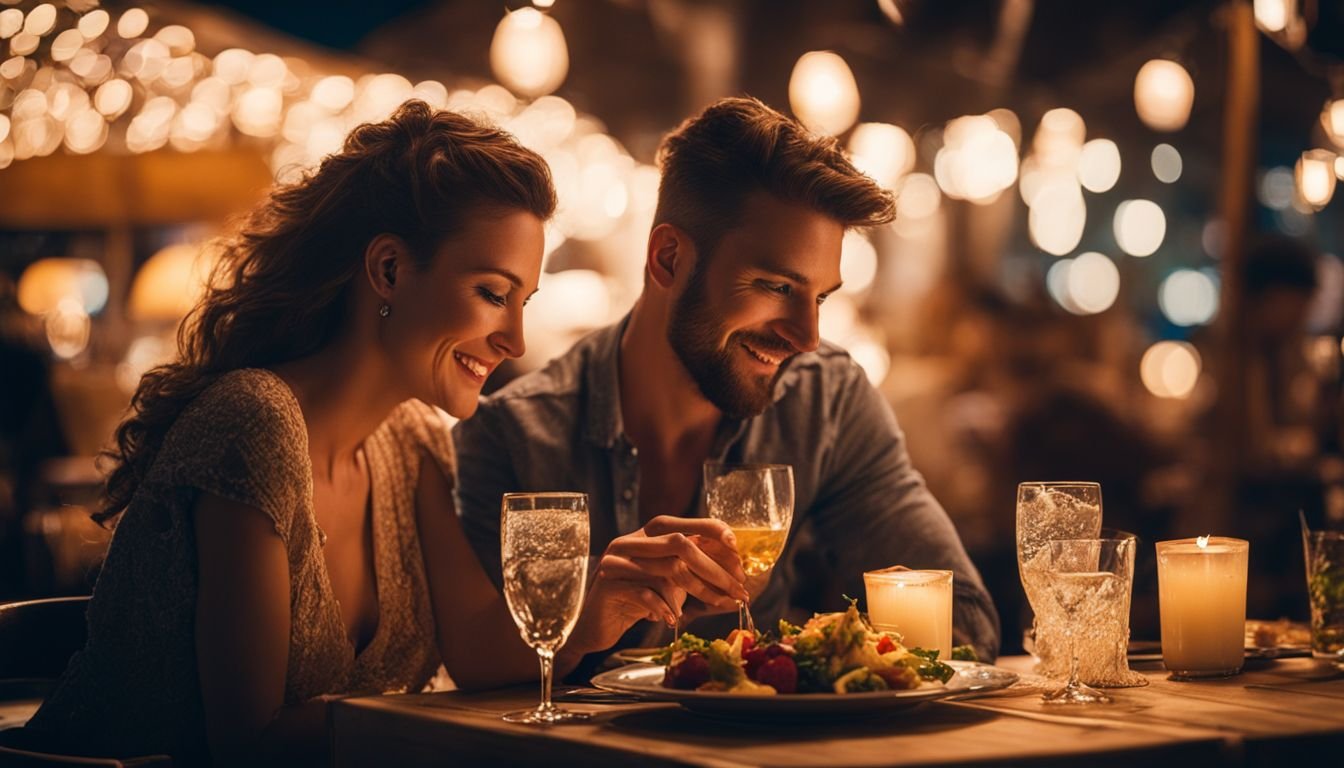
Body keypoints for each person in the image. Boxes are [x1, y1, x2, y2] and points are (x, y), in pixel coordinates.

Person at [18, 101, 708, 766]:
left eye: (523, 302)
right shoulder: (254, 421)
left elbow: (474, 651)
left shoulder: (411, 439)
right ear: (388, 270)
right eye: (493, 295)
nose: (515, 339)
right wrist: (434, 725)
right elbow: (246, 743)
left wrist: (596, 607)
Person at [454, 97, 1000, 669]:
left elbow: (965, 620)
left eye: (818, 298)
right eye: (776, 288)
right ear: (669, 259)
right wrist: (583, 624)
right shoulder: (512, 435)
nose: (807, 336)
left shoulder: (826, 400)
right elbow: (482, 674)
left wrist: (825, 650)